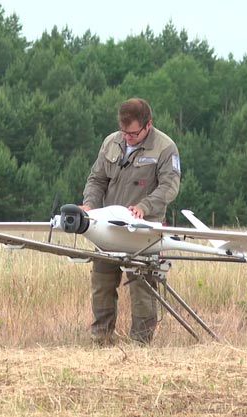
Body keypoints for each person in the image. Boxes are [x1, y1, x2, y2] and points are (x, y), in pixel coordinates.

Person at [80, 98, 181, 345]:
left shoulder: (165, 148)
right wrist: (89, 204)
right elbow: (96, 179)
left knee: (143, 287)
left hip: (143, 232)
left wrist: (144, 207)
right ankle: (101, 339)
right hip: (109, 229)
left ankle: (140, 344)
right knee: (101, 283)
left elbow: (170, 187)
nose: (127, 137)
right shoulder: (110, 142)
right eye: (124, 132)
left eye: (133, 133)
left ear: (148, 125)